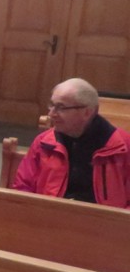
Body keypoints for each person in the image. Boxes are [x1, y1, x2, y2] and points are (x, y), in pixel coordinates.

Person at [13, 78, 130, 207]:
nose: (51, 114)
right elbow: (23, 187)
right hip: (49, 214)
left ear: (87, 112)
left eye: (61, 107)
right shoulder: (43, 142)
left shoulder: (123, 146)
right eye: (52, 105)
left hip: (104, 218)